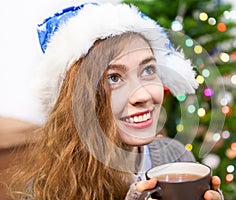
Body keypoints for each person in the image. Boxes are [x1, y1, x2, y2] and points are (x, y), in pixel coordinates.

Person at [8, 2, 224, 200]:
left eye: (148, 70)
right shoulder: (46, 189)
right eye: (114, 78)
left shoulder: (175, 157)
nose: (143, 95)